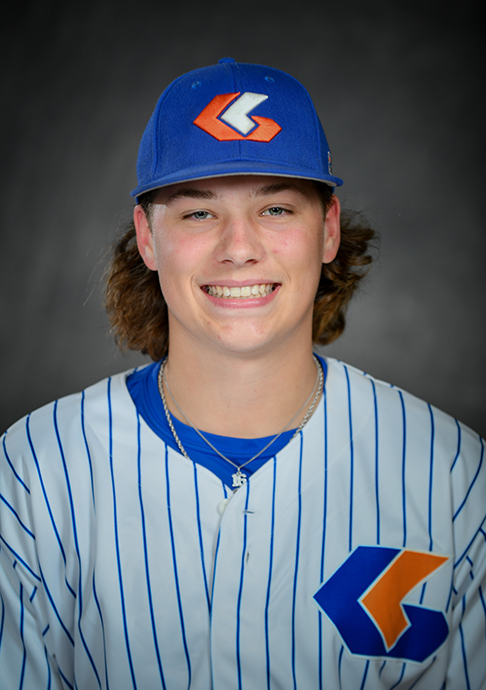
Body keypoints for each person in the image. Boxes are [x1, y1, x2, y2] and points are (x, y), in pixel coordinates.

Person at [0, 58, 484, 690]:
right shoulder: (38, 468)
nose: (238, 247)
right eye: (198, 213)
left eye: (277, 209)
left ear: (328, 229)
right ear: (148, 237)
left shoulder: (452, 475)